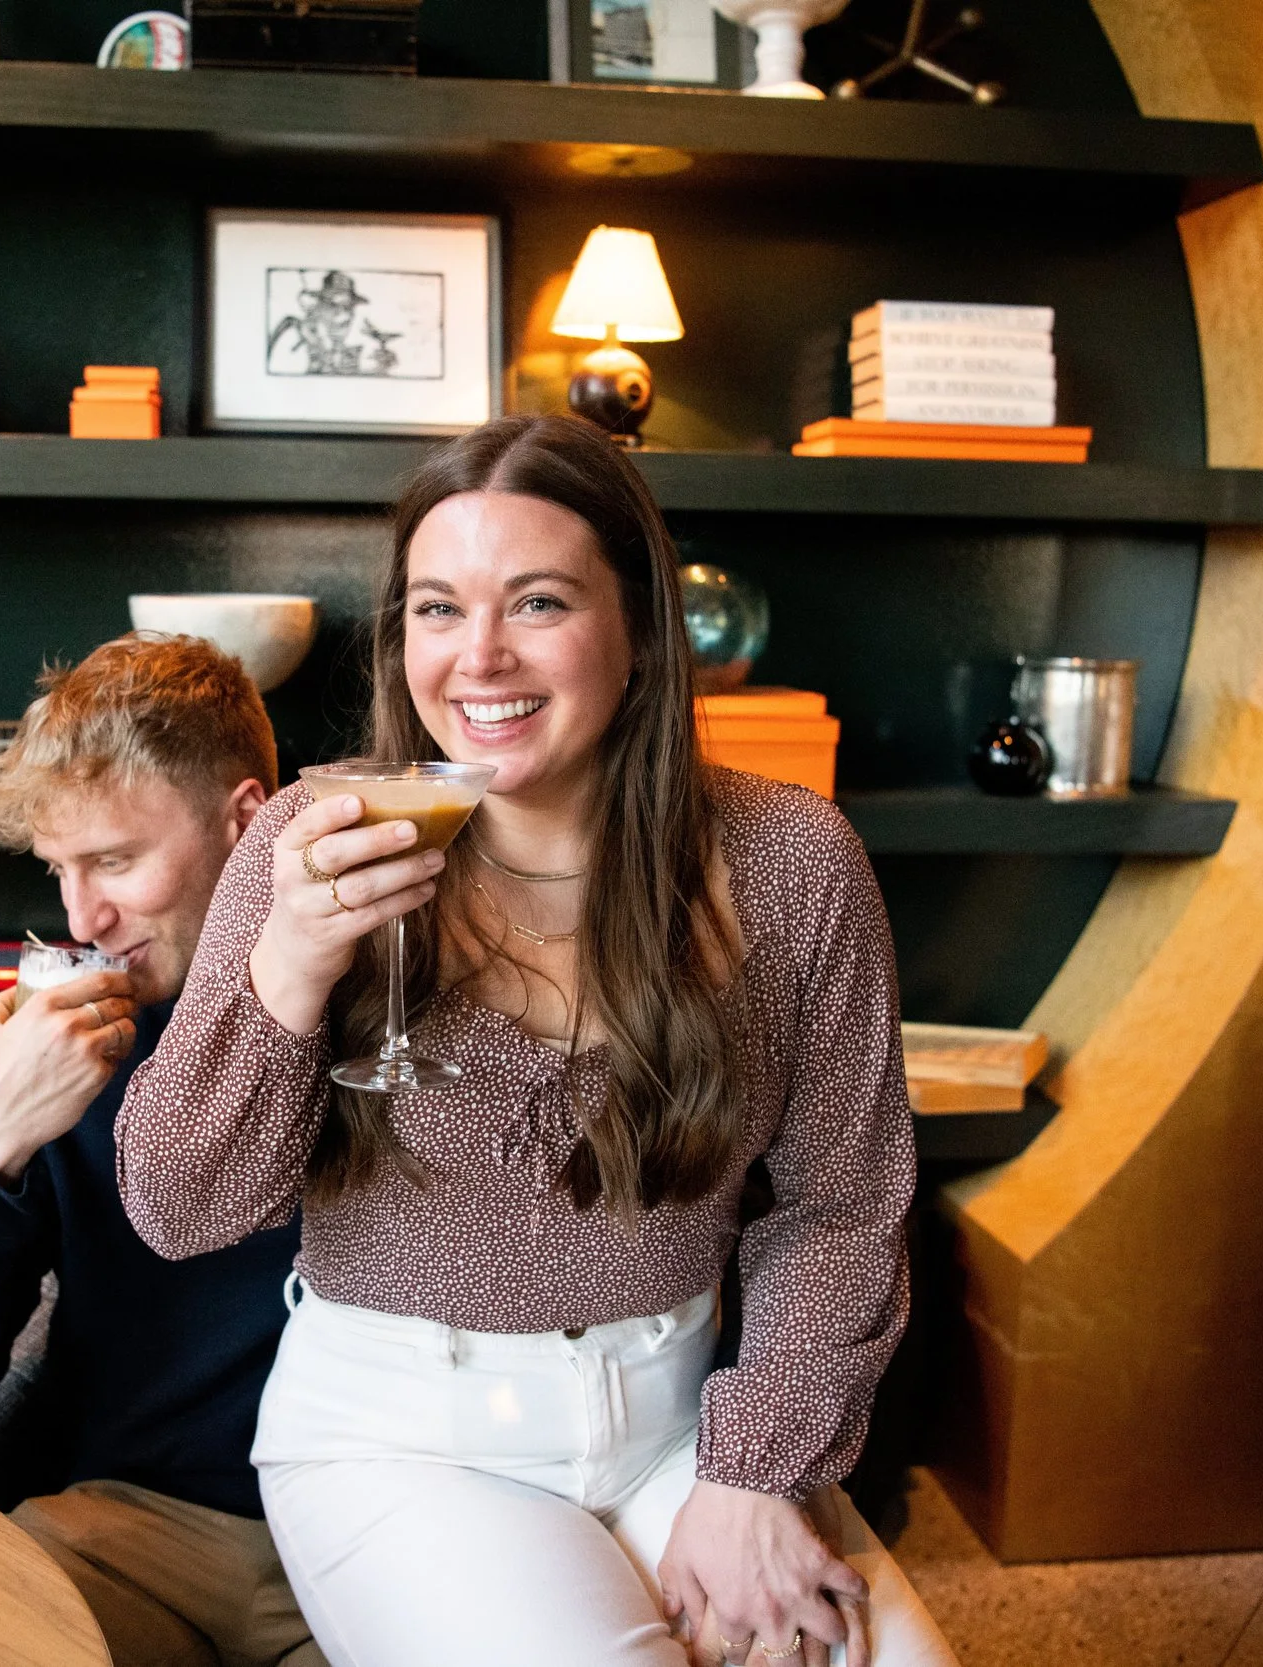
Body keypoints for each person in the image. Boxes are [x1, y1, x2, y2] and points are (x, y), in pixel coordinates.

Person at [116, 415, 959, 1667]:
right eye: (438, 609)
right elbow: (176, 1205)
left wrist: (754, 1471)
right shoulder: (317, 837)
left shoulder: (791, 862)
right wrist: (289, 960)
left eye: (540, 602)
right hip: (401, 1439)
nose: (479, 659)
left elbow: (842, 1205)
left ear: (639, 629)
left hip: (685, 1420)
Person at [0, 633, 326, 1667]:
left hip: (374, 1527)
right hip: (127, 1527)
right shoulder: (70, 1046)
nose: (83, 916)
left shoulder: (388, 1019)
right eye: (60, 869)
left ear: (247, 823)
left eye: (114, 860)